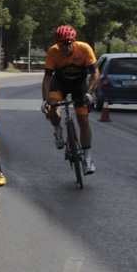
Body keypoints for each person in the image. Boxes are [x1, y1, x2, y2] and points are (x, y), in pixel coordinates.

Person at [41, 25, 99, 174]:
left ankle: (87, 159)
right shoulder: (53, 52)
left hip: (79, 85)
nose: (64, 47)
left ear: (73, 42)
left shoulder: (84, 49)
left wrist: (89, 92)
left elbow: (95, 73)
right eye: (61, 44)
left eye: (67, 43)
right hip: (60, 83)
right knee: (53, 107)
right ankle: (58, 129)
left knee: (83, 120)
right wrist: (45, 100)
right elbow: (47, 78)